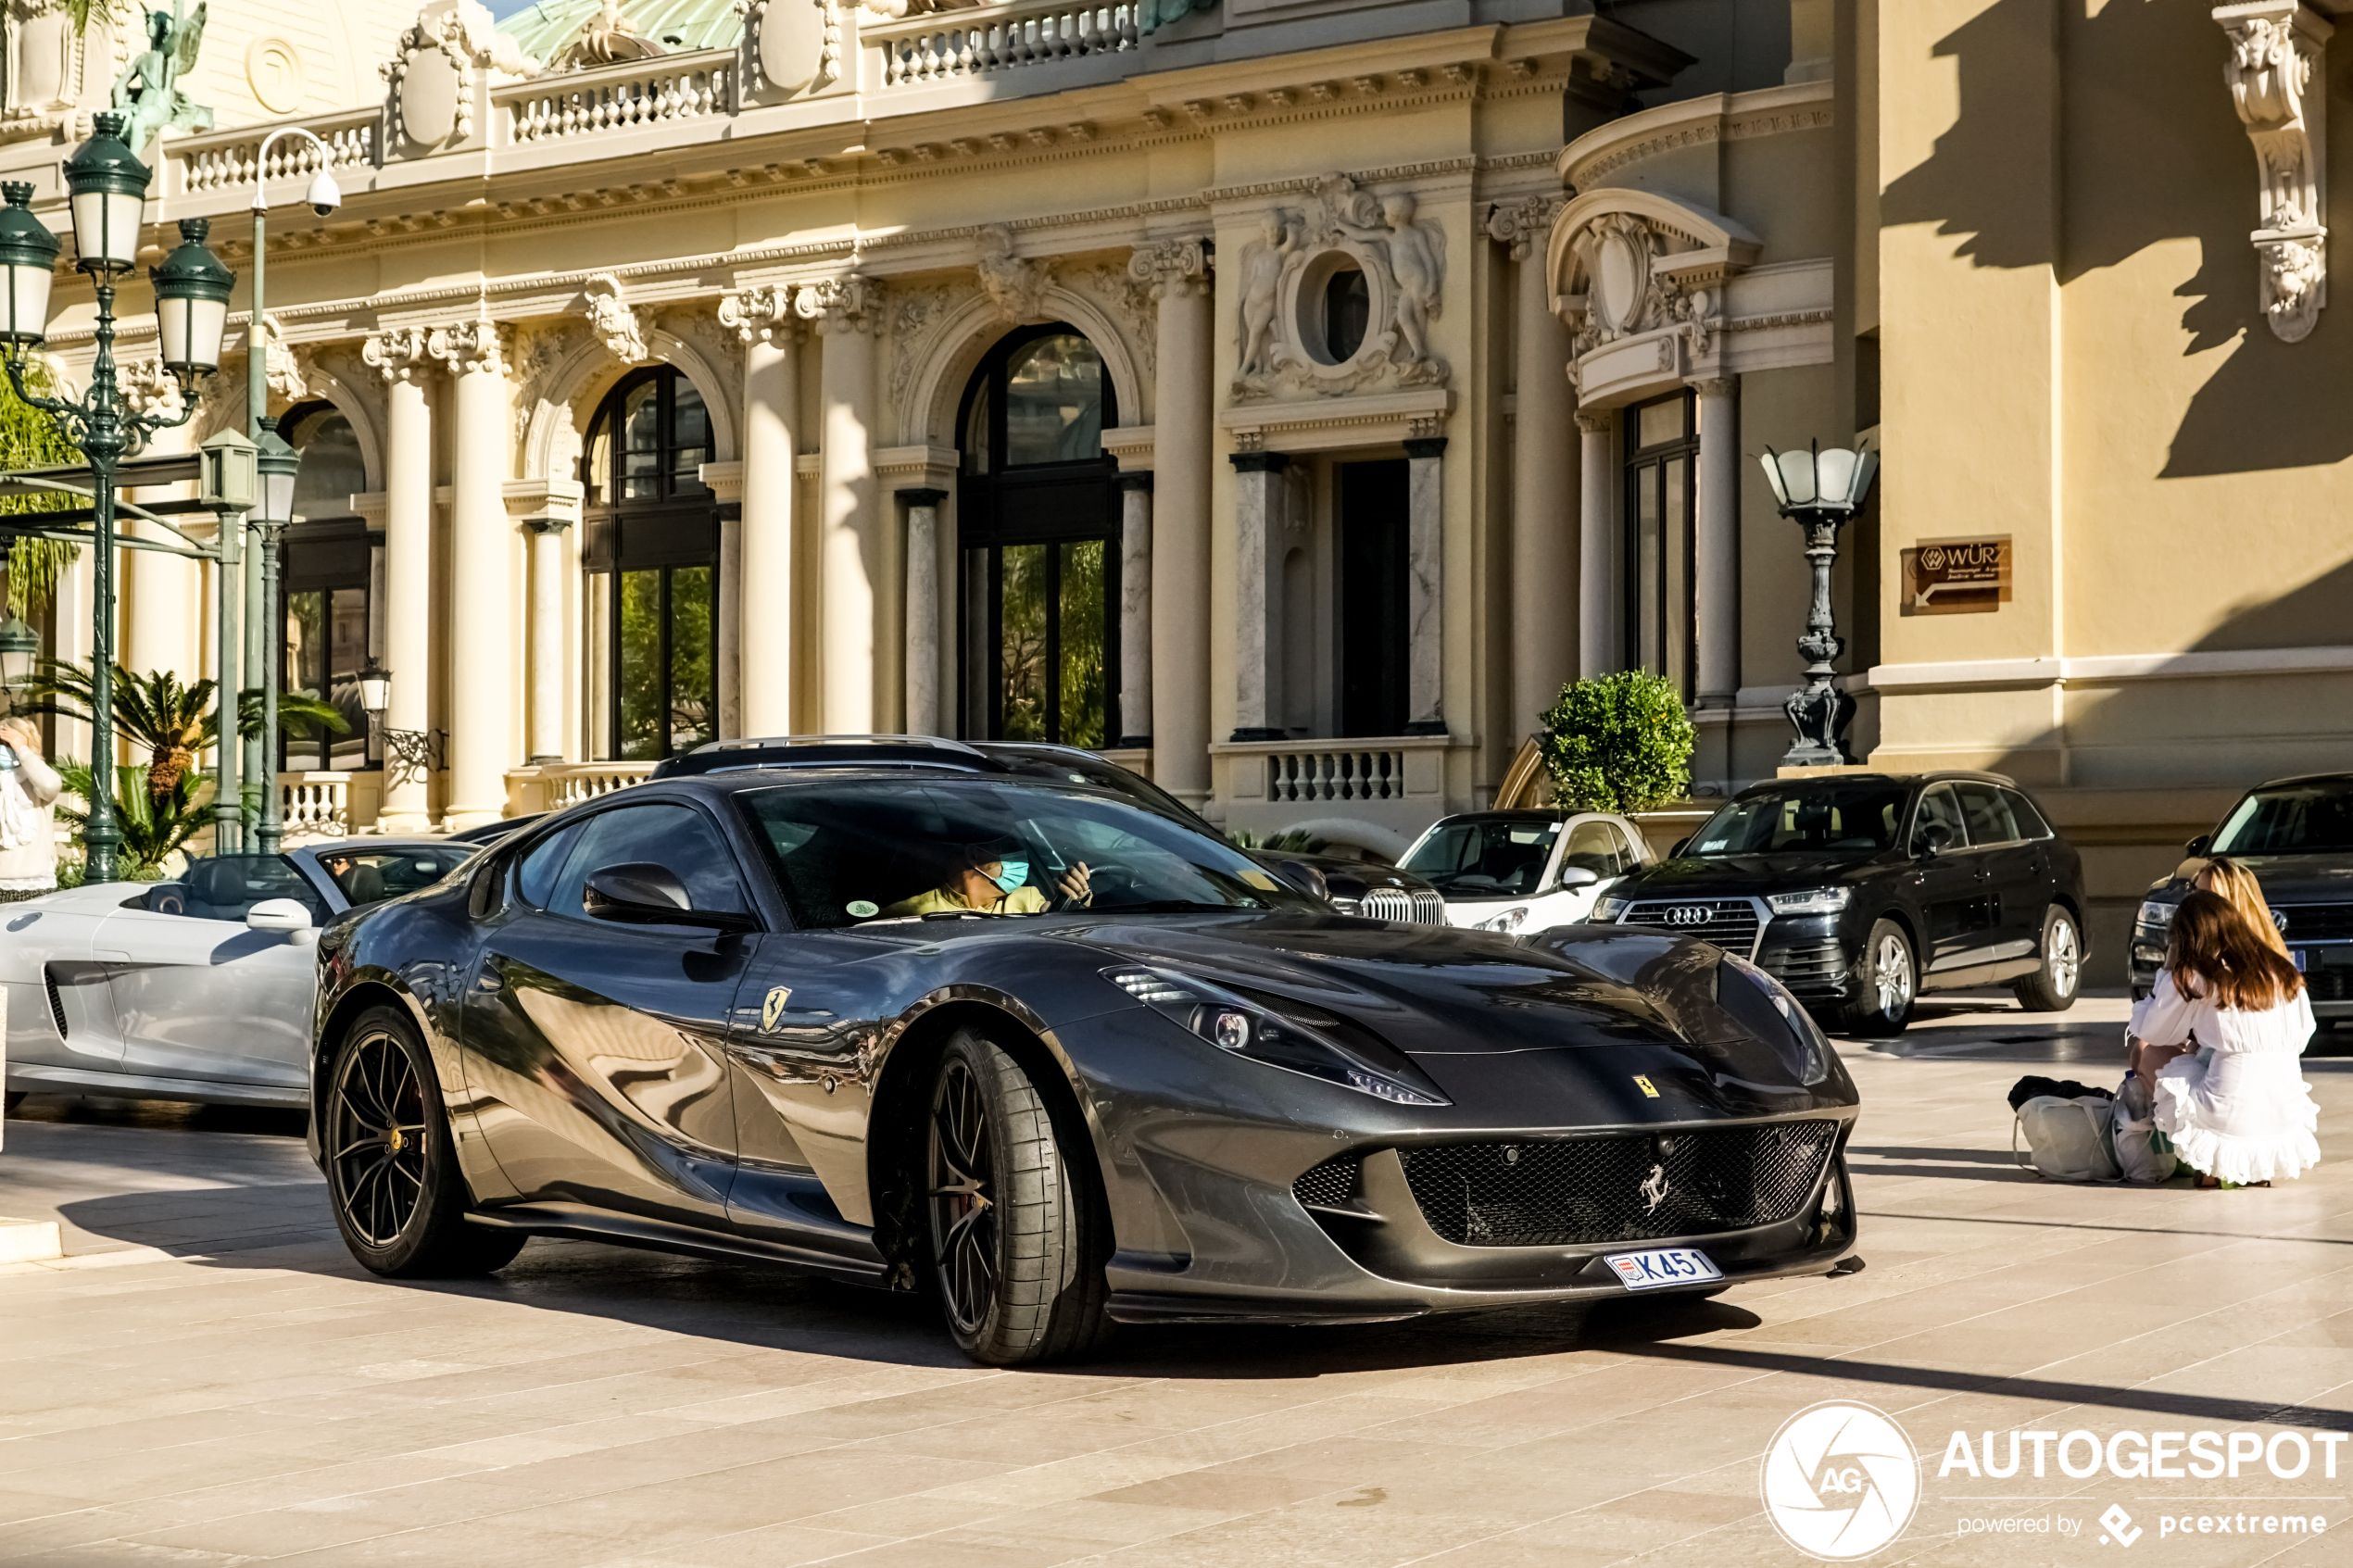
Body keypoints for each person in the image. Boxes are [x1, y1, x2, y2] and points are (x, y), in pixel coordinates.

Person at [2129, 890, 2319, 1188]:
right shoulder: (2282, 970)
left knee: (2146, 1052)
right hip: (2285, 1110)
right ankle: (2253, 1166)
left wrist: (2166, 973)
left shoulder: (2198, 973)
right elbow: (2304, 1035)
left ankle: (2210, 1164)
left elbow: (2153, 1031)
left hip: (2227, 1113)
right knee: (2206, 1055)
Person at [883, 837, 1091, 918]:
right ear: (973, 855)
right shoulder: (913, 913)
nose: (1022, 856)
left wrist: (1078, 902)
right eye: (1006, 847)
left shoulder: (1028, 898)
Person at [0, 716, 62, 897]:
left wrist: (23, 751)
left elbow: (50, 785)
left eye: (10, 743)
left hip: (35, 883)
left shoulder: (36, 777)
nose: (4, 748)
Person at [2195, 856, 2289, 958]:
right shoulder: (2190, 947)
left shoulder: (2260, 962)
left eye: (2206, 897)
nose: (2193, 902)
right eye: (2193, 890)